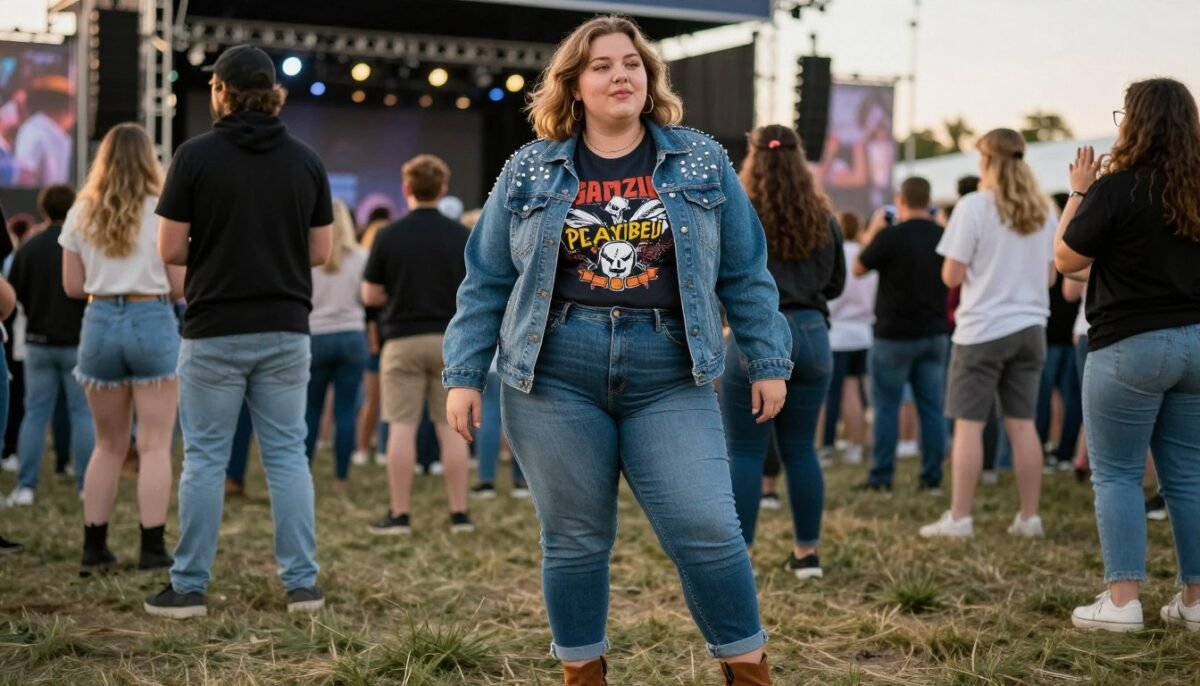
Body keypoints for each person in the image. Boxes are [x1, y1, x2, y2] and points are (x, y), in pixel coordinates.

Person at [442, 15, 788, 684]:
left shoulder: (700, 158)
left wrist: (767, 360)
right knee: (574, 541)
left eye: (630, 62)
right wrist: (464, 374)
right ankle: (583, 675)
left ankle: (749, 673)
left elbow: (746, 271)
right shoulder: (529, 168)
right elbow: (484, 279)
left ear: (648, 77)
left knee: (708, 529)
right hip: (553, 371)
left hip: (671, 367)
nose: (619, 74)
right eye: (600, 65)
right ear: (573, 85)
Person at [144, 44, 333, 618]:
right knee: (286, 457)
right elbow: (321, 252)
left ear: (221, 91)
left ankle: (190, 588)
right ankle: (302, 586)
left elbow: (171, 248)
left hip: (214, 327)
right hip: (284, 328)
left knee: (204, 458)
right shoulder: (305, 159)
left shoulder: (194, 156)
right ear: (272, 92)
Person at [1057, 78, 1200, 632]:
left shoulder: (1118, 188)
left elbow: (1066, 260)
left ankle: (1121, 603)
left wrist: (1078, 191)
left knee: (1116, 474)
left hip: (1128, 346)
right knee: (1188, 477)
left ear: (1133, 121)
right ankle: (1193, 601)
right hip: (1195, 342)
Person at [59, 123, 183, 575]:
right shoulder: (163, 210)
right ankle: (151, 549)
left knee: (107, 445)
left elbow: (73, 286)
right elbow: (177, 285)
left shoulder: (81, 211)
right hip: (151, 318)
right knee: (153, 446)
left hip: (99, 323)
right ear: (149, 159)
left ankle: (95, 547)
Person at [722, 124, 845, 581]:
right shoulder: (823, 215)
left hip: (754, 334)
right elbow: (836, 284)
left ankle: (742, 558)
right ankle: (807, 555)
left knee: (745, 452)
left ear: (752, 158)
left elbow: (721, 279)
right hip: (813, 334)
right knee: (800, 450)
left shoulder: (739, 215)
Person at [922, 128, 1057, 539]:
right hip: (1031, 327)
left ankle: (960, 518)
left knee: (969, 425)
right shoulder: (1045, 209)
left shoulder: (974, 206)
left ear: (986, 161)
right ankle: (1029, 517)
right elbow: (1050, 277)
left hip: (981, 329)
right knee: (1022, 424)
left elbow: (951, 275)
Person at [363, 154, 472, 534]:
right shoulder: (461, 235)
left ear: (406, 188)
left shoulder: (388, 235)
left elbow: (370, 294)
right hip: (450, 341)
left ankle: (399, 514)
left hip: (402, 341)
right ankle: (460, 514)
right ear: (442, 189)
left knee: (402, 428)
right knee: (451, 429)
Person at [852, 177, 949, 492]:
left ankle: (882, 476)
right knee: (932, 407)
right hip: (934, 332)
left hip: (893, 334)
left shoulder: (890, 236)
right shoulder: (943, 235)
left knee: (886, 406)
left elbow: (857, 269)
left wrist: (875, 231)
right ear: (928, 199)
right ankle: (932, 476)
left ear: (901, 200)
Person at [7, 184, 94, 505]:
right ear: (73, 207)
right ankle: (86, 485)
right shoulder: (79, 244)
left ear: (43, 208)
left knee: (34, 413)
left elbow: (13, 294)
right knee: (82, 413)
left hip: (37, 340)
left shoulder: (29, 247)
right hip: (76, 339)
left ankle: (26, 487)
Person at [305, 199, 367, 493]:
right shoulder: (361, 257)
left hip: (314, 337)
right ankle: (341, 477)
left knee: (310, 411)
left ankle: (303, 473)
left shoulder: (307, 255)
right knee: (345, 411)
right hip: (351, 337)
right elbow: (366, 298)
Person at [822, 210, 876, 464]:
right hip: (863, 332)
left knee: (832, 394)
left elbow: (832, 297)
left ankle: (826, 445)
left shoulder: (837, 255)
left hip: (838, 333)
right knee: (854, 391)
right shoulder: (867, 256)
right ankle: (856, 445)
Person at [353, 205, 392, 467]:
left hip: (381, 337)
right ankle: (366, 447)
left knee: (379, 400)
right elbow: (368, 306)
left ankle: (371, 448)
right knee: (377, 399)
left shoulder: (375, 265)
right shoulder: (368, 266)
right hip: (379, 338)